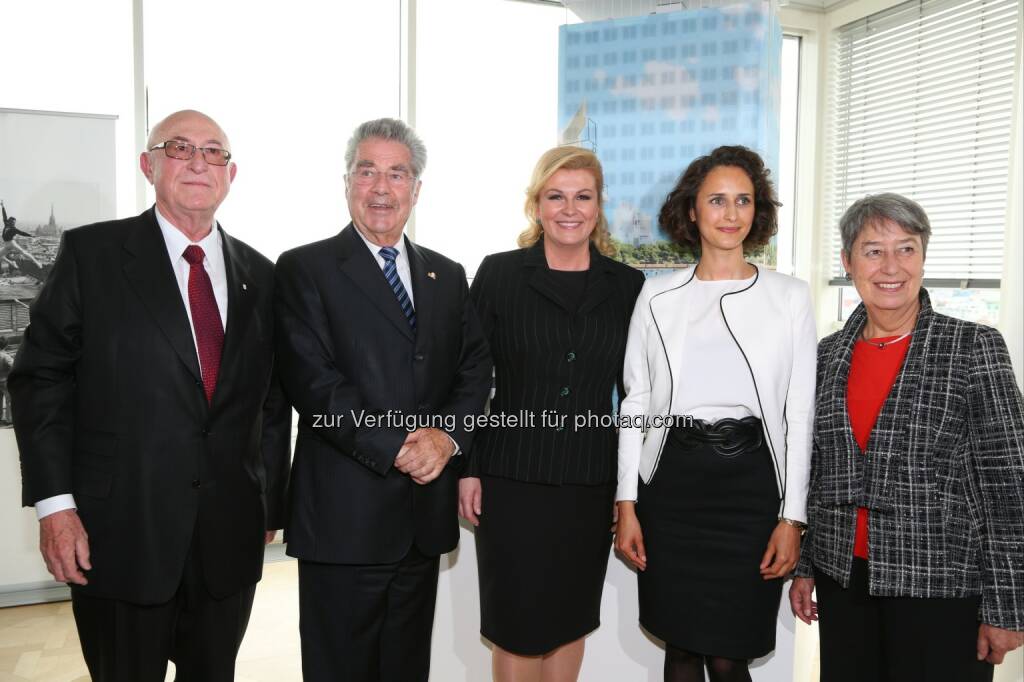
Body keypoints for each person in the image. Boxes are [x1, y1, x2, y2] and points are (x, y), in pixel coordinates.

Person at [9, 109, 291, 682]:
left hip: (226, 543)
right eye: (180, 147)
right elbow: (40, 382)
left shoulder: (261, 277)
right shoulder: (94, 256)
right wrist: (55, 507)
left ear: (230, 176)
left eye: (215, 152)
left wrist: (268, 504)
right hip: (119, 535)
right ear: (149, 164)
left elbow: (270, 400)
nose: (198, 161)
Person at [274, 117, 492, 682]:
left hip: (422, 520)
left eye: (397, 173)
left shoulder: (447, 274)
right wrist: (398, 447)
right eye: (366, 171)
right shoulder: (305, 268)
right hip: (344, 519)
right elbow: (313, 383)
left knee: (405, 667)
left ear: (416, 189)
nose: (381, 187)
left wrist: (446, 439)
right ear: (346, 182)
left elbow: (474, 370)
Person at [789, 193, 1024, 682]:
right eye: (874, 250)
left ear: (922, 257)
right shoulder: (827, 355)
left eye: (907, 249)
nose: (890, 266)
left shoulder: (973, 347)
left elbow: (1009, 485)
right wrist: (806, 565)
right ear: (848, 261)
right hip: (844, 584)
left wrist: (1007, 606)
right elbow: (822, 470)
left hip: (942, 590)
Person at [615, 145, 817, 682]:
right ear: (691, 212)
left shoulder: (789, 296)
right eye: (717, 201)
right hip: (671, 490)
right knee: (680, 649)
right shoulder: (655, 296)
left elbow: (800, 414)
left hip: (751, 493)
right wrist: (627, 504)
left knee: (730, 657)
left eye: (744, 200)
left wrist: (792, 518)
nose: (731, 214)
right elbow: (635, 403)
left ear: (758, 212)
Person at [458, 146, 644, 681]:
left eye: (583, 196)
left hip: (589, 482)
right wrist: (467, 467)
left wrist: (626, 490)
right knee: (516, 622)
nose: (570, 208)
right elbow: (469, 379)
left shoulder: (627, 287)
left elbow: (636, 392)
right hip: (510, 478)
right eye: (555, 196)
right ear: (536, 206)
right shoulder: (499, 275)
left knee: (569, 618)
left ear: (598, 206)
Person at [1, 200, 43, 269]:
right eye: (13, 222)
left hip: (12, 243)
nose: (14, 223)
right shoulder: (6, 224)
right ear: (9, 221)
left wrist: (31, 235)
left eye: (14, 222)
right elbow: (4, 215)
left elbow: (22, 233)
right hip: (6, 245)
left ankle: (37, 262)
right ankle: (12, 263)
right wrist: (2, 206)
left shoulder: (14, 229)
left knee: (23, 252)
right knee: (0, 255)